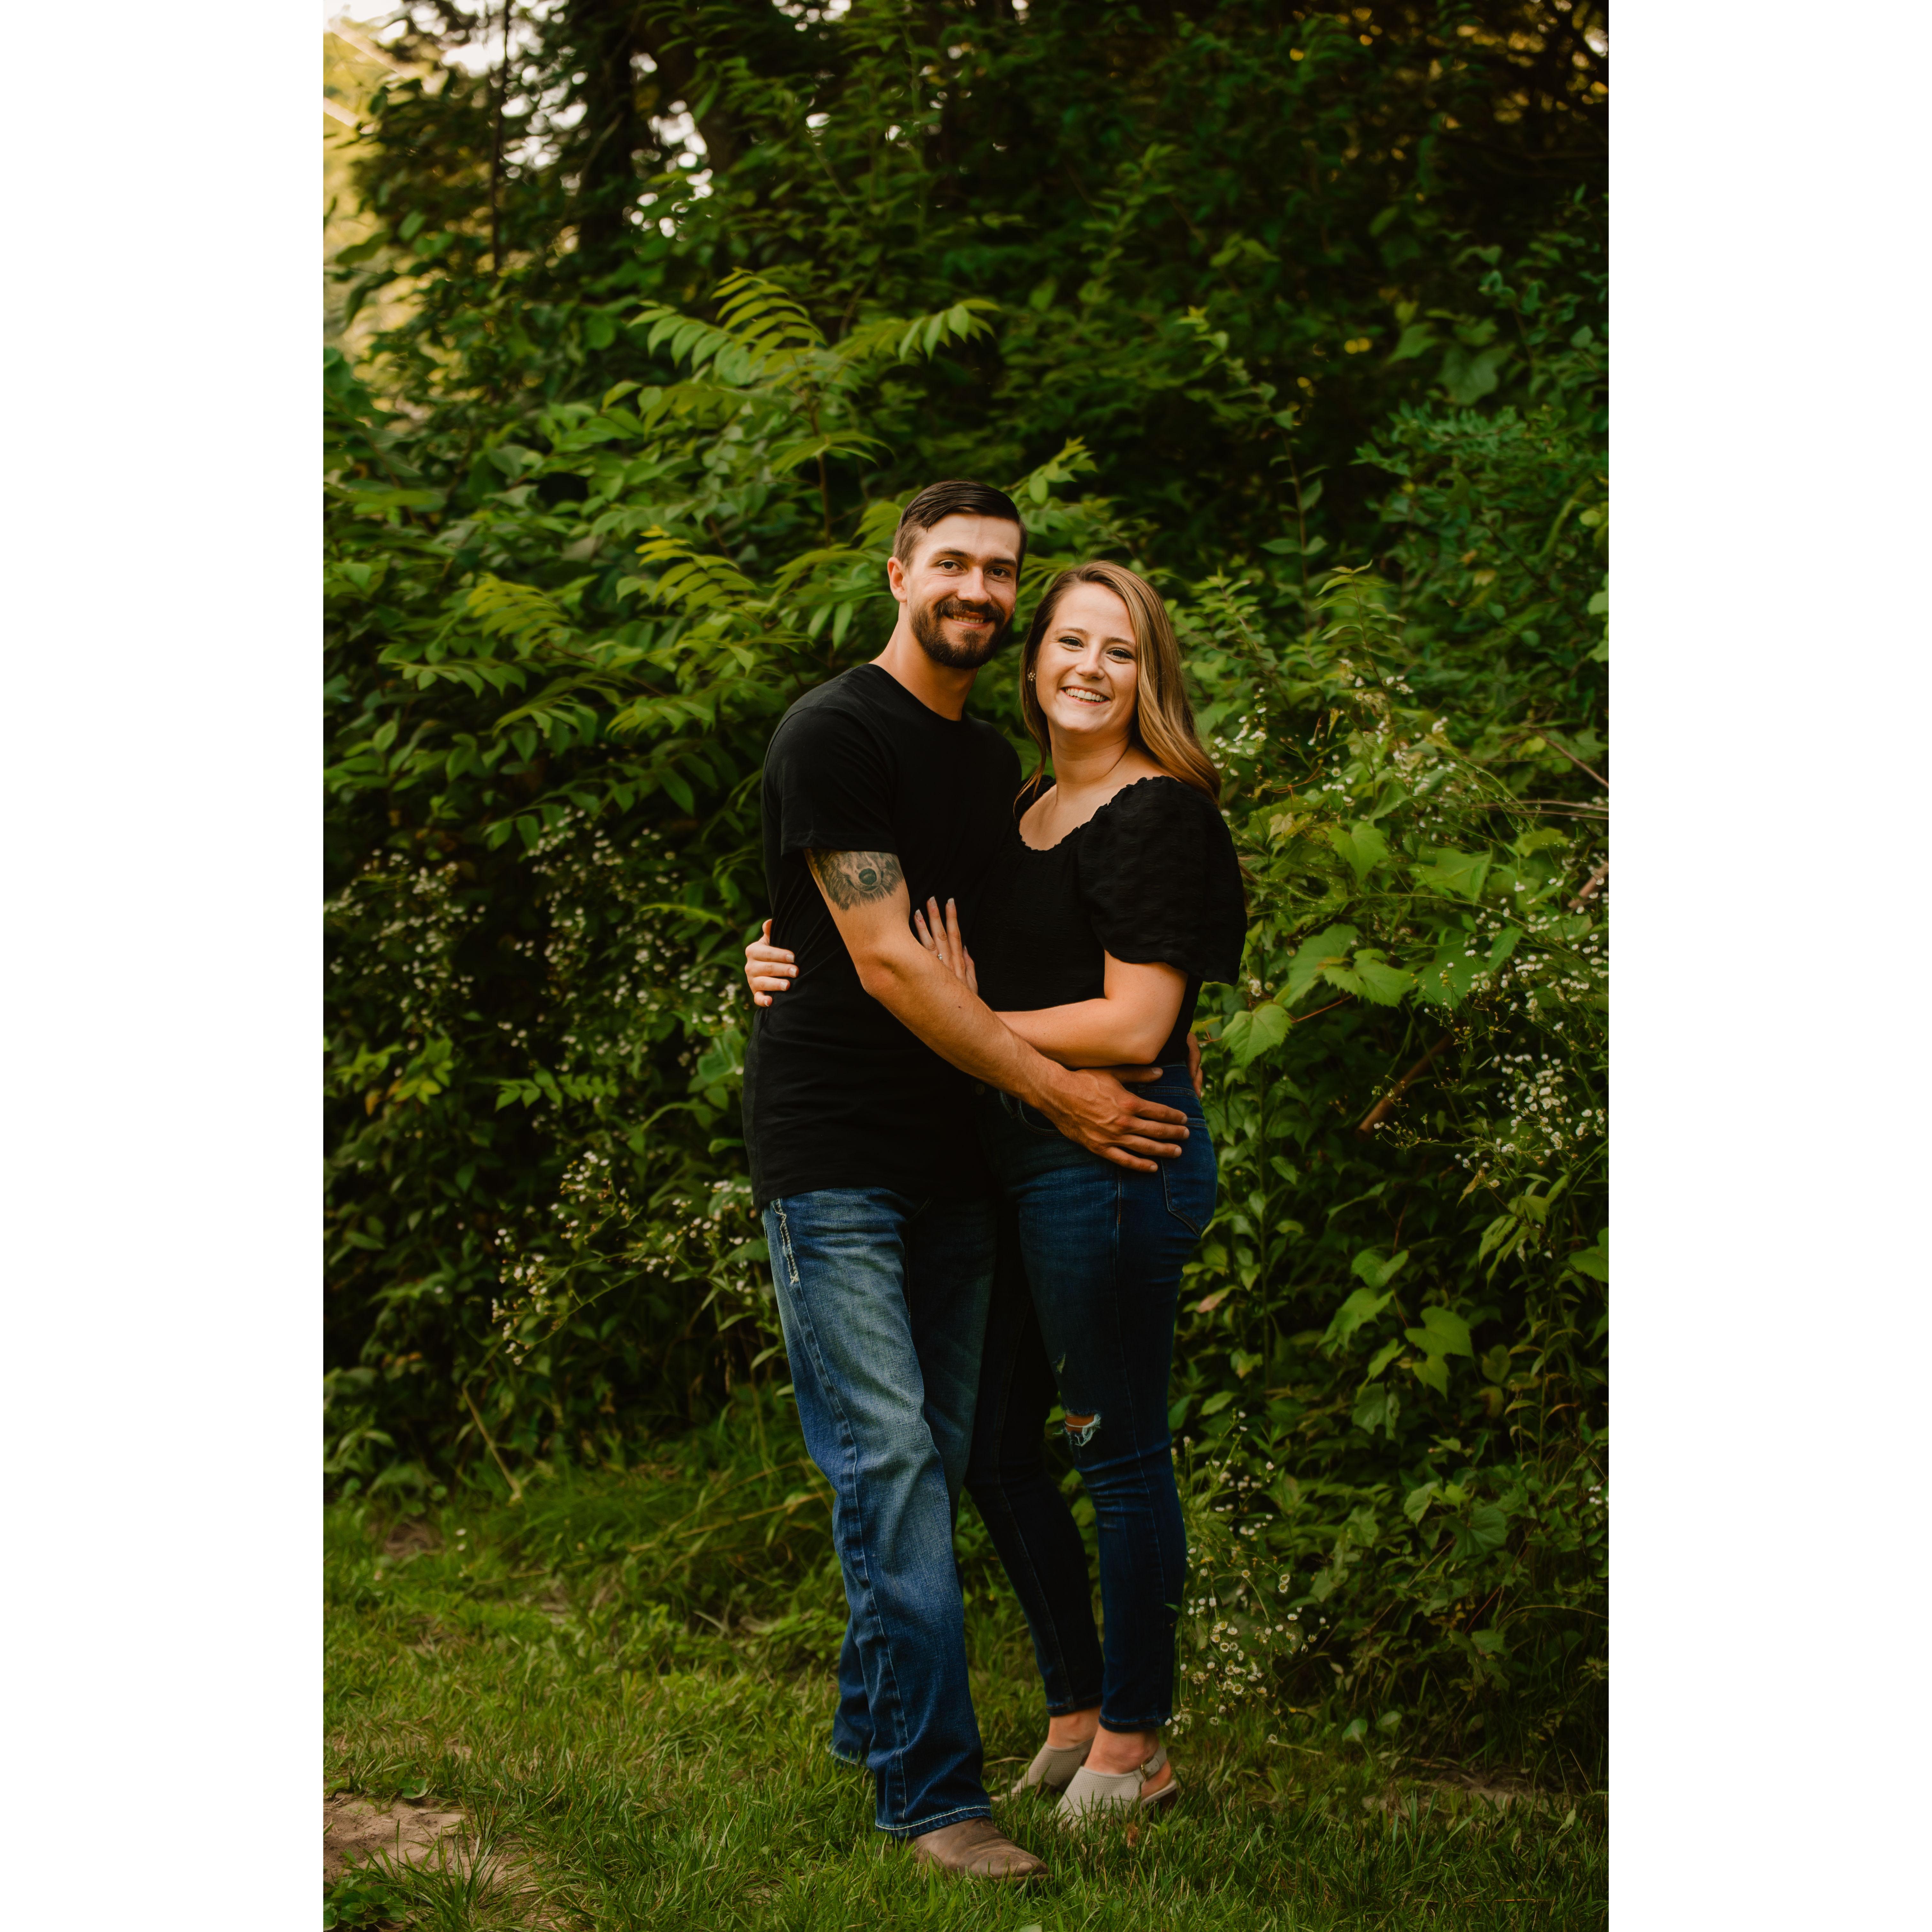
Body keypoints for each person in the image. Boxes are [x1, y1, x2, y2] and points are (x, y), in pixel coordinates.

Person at [742, 482, 1195, 1883]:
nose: (979, 591)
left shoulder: (993, 765)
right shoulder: (834, 730)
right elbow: (884, 956)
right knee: (888, 1458)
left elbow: (990, 947)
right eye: (954, 563)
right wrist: (1059, 1089)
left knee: (932, 1458)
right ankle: (937, 1799)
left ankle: (873, 1726)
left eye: (1002, 572)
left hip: (953, 1158)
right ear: (899, 573)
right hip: (836, 1156)